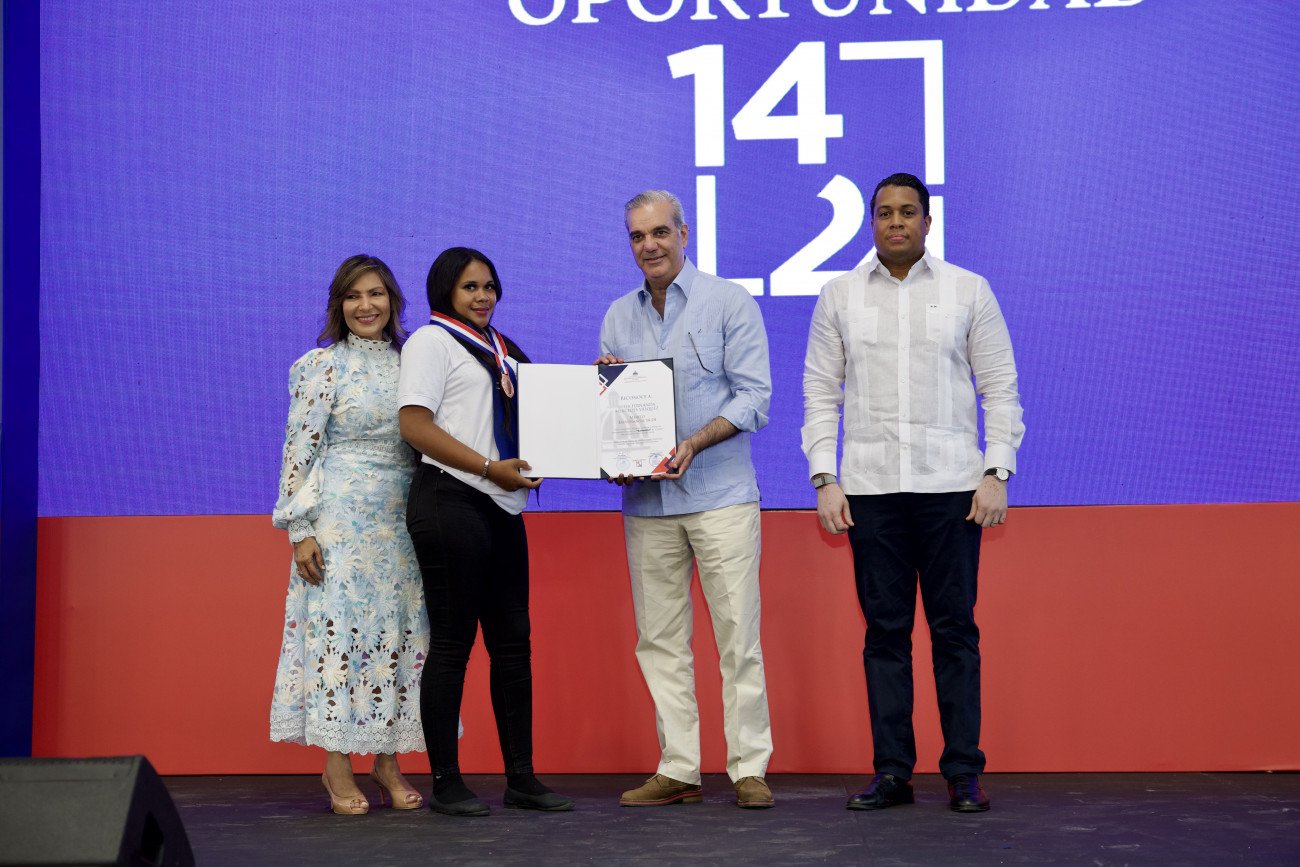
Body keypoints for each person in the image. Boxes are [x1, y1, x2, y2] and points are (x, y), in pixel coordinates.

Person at [801, 173, 1024, 813]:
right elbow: (820, 393)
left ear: (928, 221)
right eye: (884, 213)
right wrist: (824, 477)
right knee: (885, 636)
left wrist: (996, 472)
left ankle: (964, 773)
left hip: (953, 489)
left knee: (955, 633)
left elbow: (1000, 388)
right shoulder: (839, 295)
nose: (895, 222)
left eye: (907, 212)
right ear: (871, 222)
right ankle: (893, 773)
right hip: (870, 491)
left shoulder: (969, 290)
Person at [596, 190, 776, 809]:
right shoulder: (617, 316)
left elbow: (755, 397)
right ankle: (679, 768)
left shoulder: (729, 301)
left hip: (721, 496)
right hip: (648, 506)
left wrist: (695, 442)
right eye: (637, 236)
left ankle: (749, 769)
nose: (649, 245)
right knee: (660, 641)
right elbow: (616, 413)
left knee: (738, 639)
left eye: (659, 232)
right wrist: (616, 453)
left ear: (684, 233)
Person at [398, 247, 573, 817]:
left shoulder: (504, 350)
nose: (483, 296)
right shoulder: (432, 342)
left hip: (502, 505)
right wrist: (487, 467)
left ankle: (521, 778)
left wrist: (606, 385)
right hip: (451, 498)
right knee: (453, 644)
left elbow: (545, 417)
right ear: (445, 291)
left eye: (490, 286)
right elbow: (414, 425)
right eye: (470, 286)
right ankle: (446, 782)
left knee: (514, 646)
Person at [271, 255, 429, 815]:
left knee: (398, 638)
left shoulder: (415, 362)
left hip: (403, 521)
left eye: (376, 294)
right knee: (338, 640)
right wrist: (300, 530)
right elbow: (299, 452)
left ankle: (387, 762)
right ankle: (336, 764)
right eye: (354, 295)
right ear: (339, 305)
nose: (366, 305)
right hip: (339, 522)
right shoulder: (322, 366)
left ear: (393, 301)